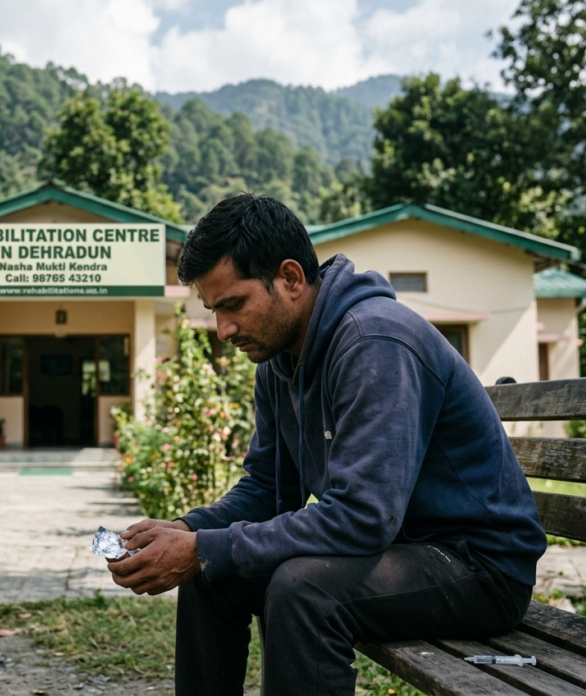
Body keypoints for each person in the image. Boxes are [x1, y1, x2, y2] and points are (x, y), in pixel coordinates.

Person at [106, 194, 547, 695]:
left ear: (291, 278)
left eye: (233, 305)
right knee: (211, 574)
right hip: (401, 548)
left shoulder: (374, 342)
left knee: (304, 588)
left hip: (478, 567)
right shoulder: (278, 360)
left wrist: (205, 547)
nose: (223, 329)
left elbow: (363, 516)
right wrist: (188, 531)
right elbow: (268, 488)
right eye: (213, 310)